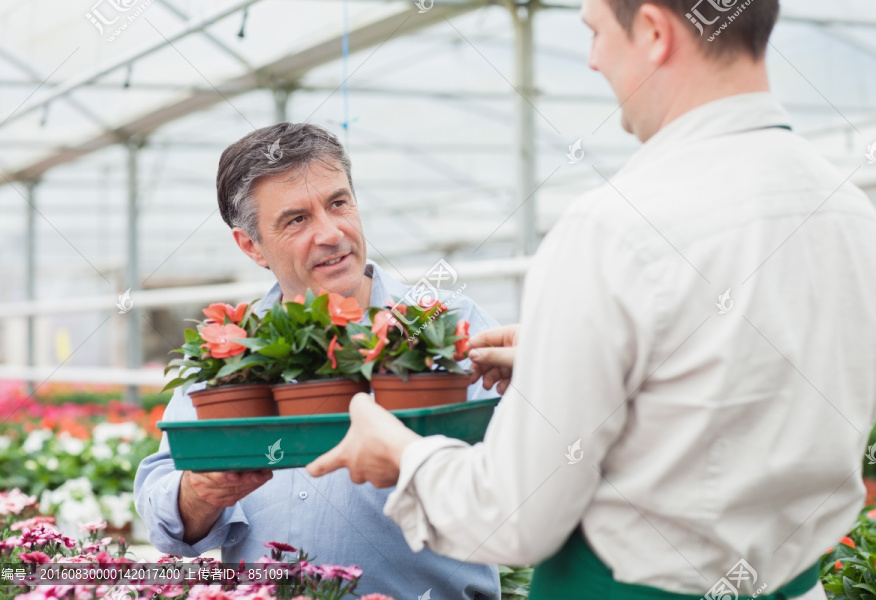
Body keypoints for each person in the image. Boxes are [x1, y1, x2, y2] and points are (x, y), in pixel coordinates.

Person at [306, 0, 876, 598]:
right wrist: (575, 360)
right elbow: (747, 380)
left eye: (596, 32)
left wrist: (402, 454)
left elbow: (514, 516)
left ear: (654, 32)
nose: (592, 60)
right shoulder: (850, 213)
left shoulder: (616, 227)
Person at [134, 123, 502, 599]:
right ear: (251, 246)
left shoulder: (444, 323)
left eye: (338, 203)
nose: (331, 234)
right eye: (296, 220)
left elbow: (525, 481)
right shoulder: (227, 349)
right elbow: (162, 512)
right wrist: (199, 493)